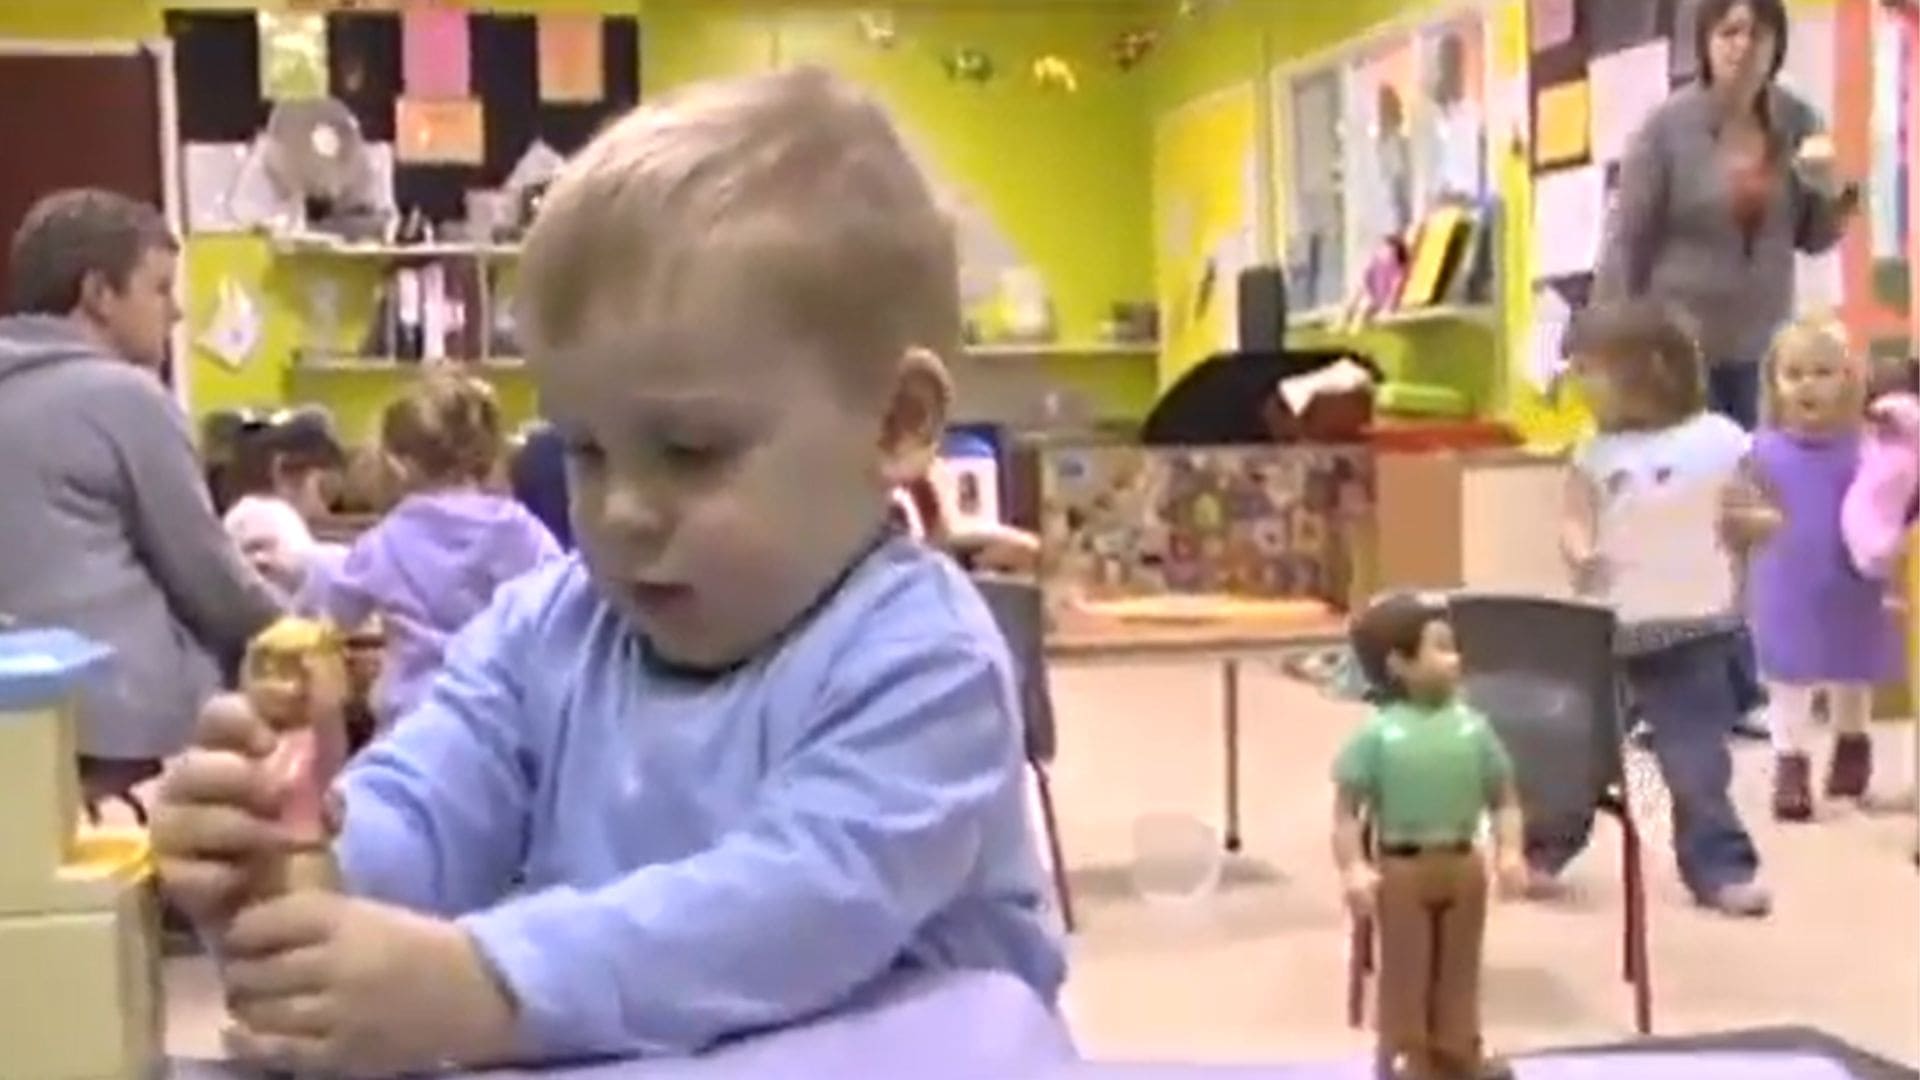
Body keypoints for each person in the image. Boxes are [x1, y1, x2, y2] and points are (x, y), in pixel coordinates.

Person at [150, 66, 1064, 1077]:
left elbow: (789, 910)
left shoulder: (925, 661)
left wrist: (488, 987)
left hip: (879, 1051)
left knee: (976, 1031)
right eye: (584, 451)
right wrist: (293, 862)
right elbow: (427, 801)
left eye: (690, 450)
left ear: (895, 425)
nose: (620, 511)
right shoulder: (543, 631)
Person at [1593, 0, 1861, 741]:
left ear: (1777, 44)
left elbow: (1813, 236)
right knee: (1678, 516)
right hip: (1675, 351)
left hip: (1762, 349)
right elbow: (1627, 241)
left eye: (1758, 32)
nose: (1743, 47)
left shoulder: (1796, 121)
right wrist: (1612, 342)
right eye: (1728, 31)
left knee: (1748, 520)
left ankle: (1742, 685)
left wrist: (1836, 191)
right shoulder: (1668, 129)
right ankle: (1661, 691)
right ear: (1706, 43)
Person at [0, 188, 282, 806]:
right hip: (122, 736)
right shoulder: (124, 398)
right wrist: (303, 629)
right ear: (99, 294)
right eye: (159, 288)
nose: (176, 313)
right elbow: (211, 582)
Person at [1550, 299, 1773, 917]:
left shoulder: (1721, 441)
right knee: (1576, 749)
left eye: (1590, 368)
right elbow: (1574, 517)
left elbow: (1754, 508)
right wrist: (1580, 547)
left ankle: (1720, 866)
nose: (1578, 382)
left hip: (1696, 629)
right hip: (1606, 632)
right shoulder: (1593, 454)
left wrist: (1754, 522)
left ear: (1649, 367)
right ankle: (1545, 845)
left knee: (1696, 763)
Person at [297, 371, 560, 729]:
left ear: (397, 465)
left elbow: (322, 618)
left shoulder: (386, 541)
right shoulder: (515, 526)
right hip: (499, 720)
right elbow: (562, 604)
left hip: (412, 722)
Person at [1334, 590, 1526, 1080]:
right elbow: (1347, 812)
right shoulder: (1378, 735)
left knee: (1460, 966)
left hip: (1464, 862)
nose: (1454, 659)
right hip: (1402, 867)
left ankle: (1459, 1052)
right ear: (1399, 663)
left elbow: (1504, 797)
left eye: (1453, 647)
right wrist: (1354, 866)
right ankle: (1407, 1056)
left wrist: (1510, 851)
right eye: (1439, 648)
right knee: (1406, 967)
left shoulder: (1474, 729)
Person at [1743, 318, 1904, 821]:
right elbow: (1737, 507)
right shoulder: (1760, 450)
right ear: (1773, 382)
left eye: (1822, 372)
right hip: (1785, 582)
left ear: (1848, 378)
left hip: (1852, 580)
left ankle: (1852, 743)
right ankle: (1791, 764)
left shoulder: (1867, 447)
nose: (1807, 384)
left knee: (1852, 667)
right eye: (1793, 373)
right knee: (1787, 675)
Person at [222, 408, 348, 596]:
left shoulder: (249, 513)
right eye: (324, 487)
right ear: (281, 471)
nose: (326, 507)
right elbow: (306, 568)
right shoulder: (269, 517)